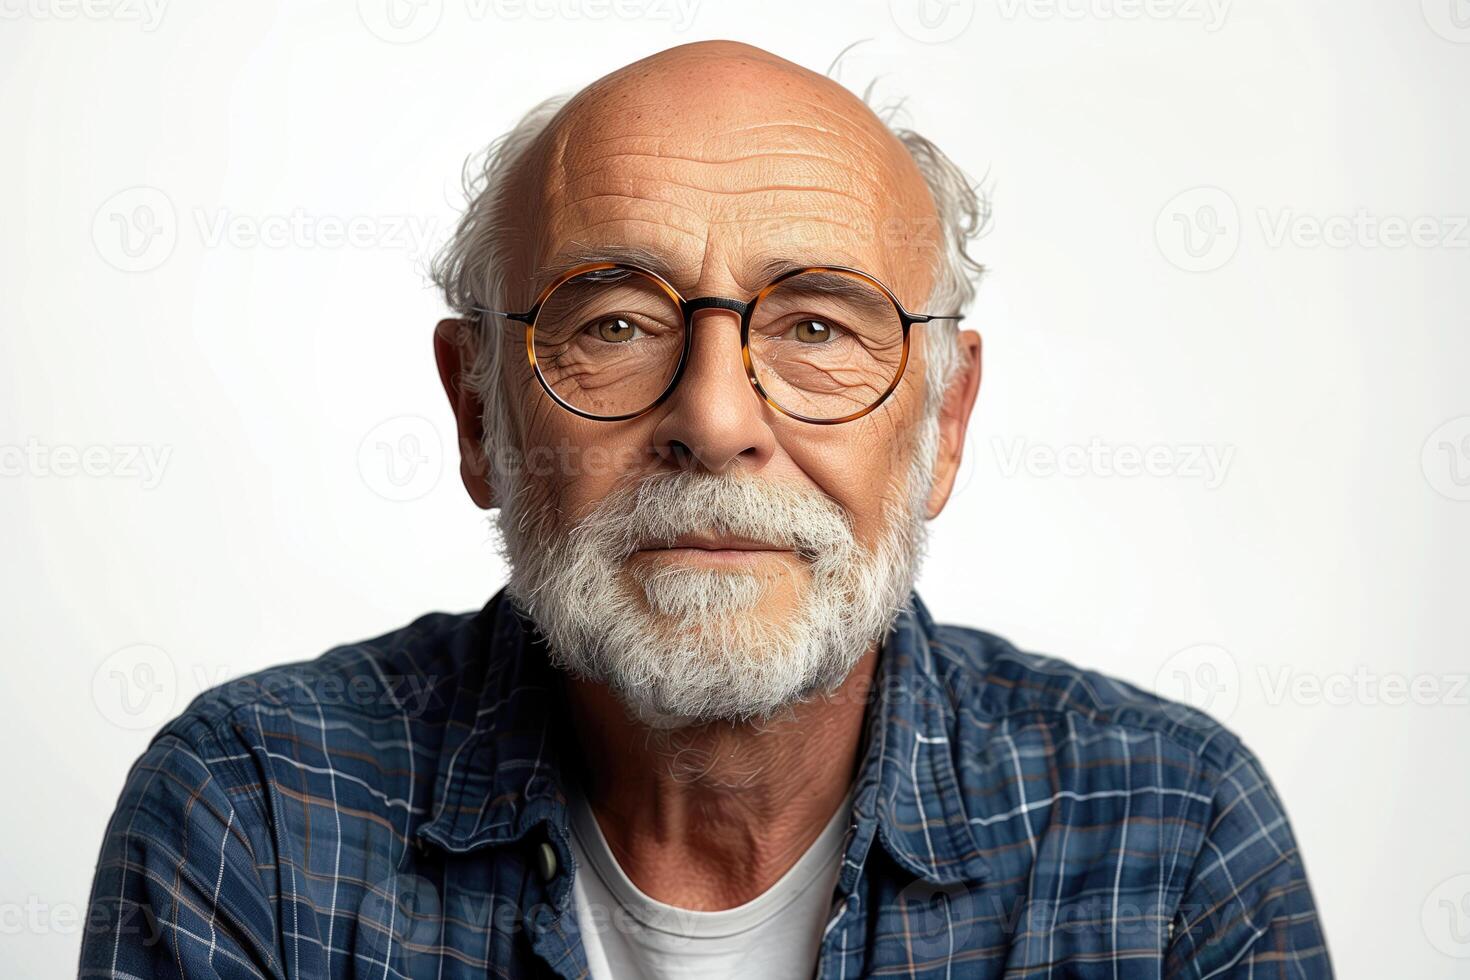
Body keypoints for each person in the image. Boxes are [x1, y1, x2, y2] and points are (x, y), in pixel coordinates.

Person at [80, 40, 1332, 979]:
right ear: (478, 414)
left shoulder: (1170, 835)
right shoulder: (258, 812)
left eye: (818, 326)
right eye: (614, 324)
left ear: (943, 423)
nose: (717, 417)